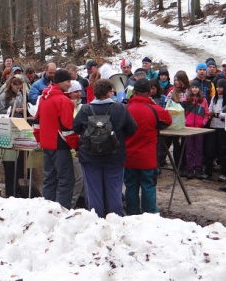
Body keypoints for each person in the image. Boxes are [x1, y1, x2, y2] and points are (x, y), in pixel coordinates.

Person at [73, 79, 137, 217]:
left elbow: (76, 127)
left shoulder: (85, 109)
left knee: (93, 190)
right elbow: (132, 129)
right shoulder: (120, 109)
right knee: (114, 189)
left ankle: (96, 219)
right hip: (115, 155)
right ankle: (116, 219)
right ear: (109, 93)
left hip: (90, 156)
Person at [124, 78, 172, 215]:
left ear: (133, 92)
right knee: (148, 186)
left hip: (129, 156)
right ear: (150, 92)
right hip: (148, 157)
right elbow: (168, 120)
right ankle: (150, 215)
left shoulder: (126, 109)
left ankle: (132, 214)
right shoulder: (155, 109)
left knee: (131, 186)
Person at [33, 69, 79, 209]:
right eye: (68, 81)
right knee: (66, 180)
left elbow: (36, 122)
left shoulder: (43, 98)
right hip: (60, 145)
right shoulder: (64, 101)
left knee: (50, 179)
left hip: (47, 144)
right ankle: (62, 210)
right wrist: (76, 146)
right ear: (60, 82)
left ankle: (48, 208)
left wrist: (40, 139)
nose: (70, 84)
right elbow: (68, 128)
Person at [0, 74, 26, 197]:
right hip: (7, 127)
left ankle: (18, 189)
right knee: (9, 161)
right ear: (11, 85)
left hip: (18, 126)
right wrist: (13, 110)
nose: (18, 90)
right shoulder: (4, 96)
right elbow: (0, 111)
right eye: (16, 87)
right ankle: (9, 190)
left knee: (19, 160)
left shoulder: (20, 96)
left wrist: (23, 109)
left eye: (20, 88)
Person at [181, 80, 209, 179]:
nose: (194, 89)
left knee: (198, 149)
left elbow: (206, 113)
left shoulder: (203, 100)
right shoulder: (186, 100)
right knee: (189, 149)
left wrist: (203, 122)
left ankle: (198, 169)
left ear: (199, 89)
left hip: (199, 128)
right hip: (188, 128)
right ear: (190, 89)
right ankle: (189, 169)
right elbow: (182, 113)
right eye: (193, 87)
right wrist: (184, 122)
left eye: (196, 87)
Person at [65, 80, 86, 208]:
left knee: (81, 178)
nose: (78, 94)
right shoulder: (68, 107)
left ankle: (80, 202)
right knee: (78, 178)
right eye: (75, 92)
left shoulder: (82, 107)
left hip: (81, 147)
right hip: (72, 148)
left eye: (79, 91)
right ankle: (70, 205)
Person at [165, 71, 189, 176]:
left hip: (187, 121)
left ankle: (185, 165)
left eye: (178, 80)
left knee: (185, 144)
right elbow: (167, 106)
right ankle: (177, 166)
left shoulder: (189, 91)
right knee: (176, 144)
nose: (176, 82)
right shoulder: (172, 92)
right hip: (175, 122)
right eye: (175, 80)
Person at [202, 79, 226, 182]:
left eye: (221, 87)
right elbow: (210, 109)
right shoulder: (214, 98)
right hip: (213, 126)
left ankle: (224, 173)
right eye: (217, 87)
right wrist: (211, 114)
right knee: (210, 149)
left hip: (223, 127)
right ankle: (208, 171)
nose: (218, 89)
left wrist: (217, 115)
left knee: (223, 151)